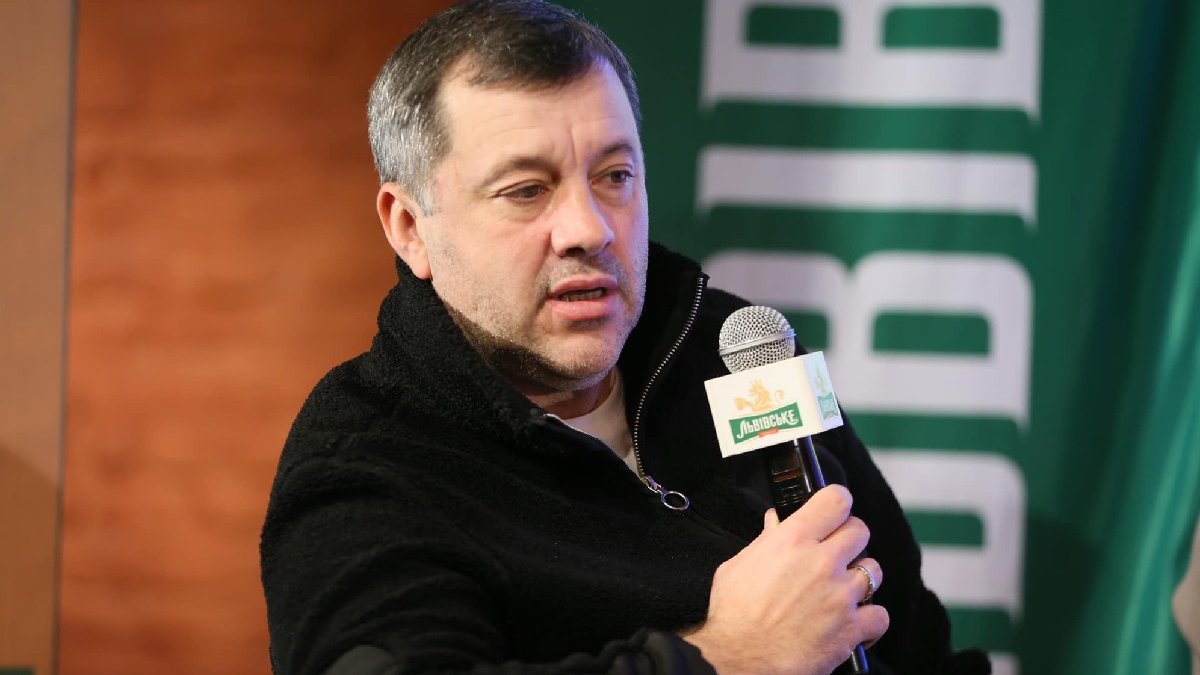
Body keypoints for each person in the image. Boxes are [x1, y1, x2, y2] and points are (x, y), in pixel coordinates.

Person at [259, 2, 991, 674]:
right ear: (410, 228)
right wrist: (727, 656)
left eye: (614, 176)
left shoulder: (736, 351)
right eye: (526, 190)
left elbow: (921, 647)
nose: (589, 229)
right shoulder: (366, 464)